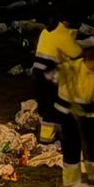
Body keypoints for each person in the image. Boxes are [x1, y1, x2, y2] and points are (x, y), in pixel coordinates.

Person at [54, 46, 94, 187]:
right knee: (71, 148)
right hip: (67, 115)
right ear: (89, 59)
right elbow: (57, 89)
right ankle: (71, 183)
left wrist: (82, 108)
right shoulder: (70, 68)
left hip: (90, 117)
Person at [30, 12, 84, 144]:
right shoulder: (63, 35)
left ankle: (48, 137)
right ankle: (47, 140)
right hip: (50, 77)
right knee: (53, 108)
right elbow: (77, 53)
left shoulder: (46, 31)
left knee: (45, 107)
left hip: (38, 74)